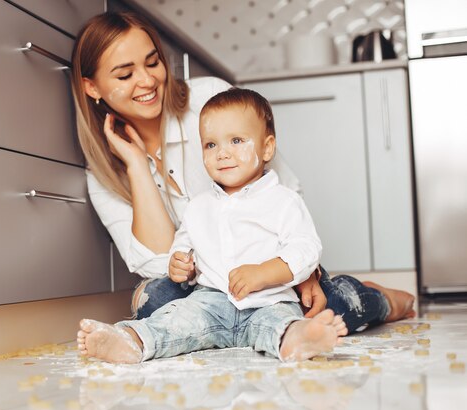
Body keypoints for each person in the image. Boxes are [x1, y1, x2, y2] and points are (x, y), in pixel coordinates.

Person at [69, 11, 415, 333]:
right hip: (202, 290)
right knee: (155, 302)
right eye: (125, 74)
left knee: (320, 306)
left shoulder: (210, 100)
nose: (147, 80)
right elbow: (159, 265)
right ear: (92, 88)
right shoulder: (101, 173)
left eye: (153, 62)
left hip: (265, 273)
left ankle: (373, 298)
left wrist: (298, 271)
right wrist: (136, 167)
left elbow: (286, 191)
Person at [77, 88, 348, 363]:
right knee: (175, 320)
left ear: (267, 147)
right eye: (211, 145)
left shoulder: (282, 201)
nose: (222, 154)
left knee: (280, 324)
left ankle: (302, 339)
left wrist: (266, 272)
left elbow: (306, 246)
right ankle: (131, 341)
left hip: (269, 301)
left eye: (237, 141)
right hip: (210, 303)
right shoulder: (199, 205)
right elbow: (185, 243)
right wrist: (181, 262)